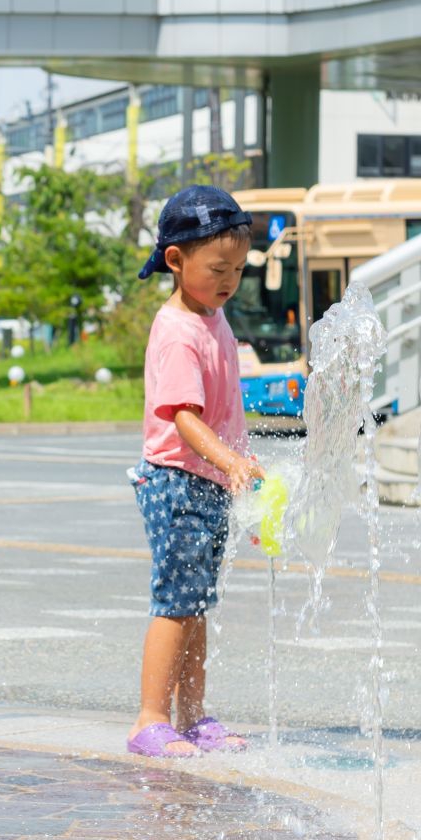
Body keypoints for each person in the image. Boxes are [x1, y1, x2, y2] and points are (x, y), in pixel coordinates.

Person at [126, 185, 261, 759]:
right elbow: (184, 417)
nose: (229, 280)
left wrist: (237, 471)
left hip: (206, 480)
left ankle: (192, 716)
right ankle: (149, 719)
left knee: (195, 604)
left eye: (238, 268)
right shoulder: (178, 331)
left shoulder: (213, 315)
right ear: (176, 262)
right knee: (175, 604)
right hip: (176, 481)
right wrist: (230, 460)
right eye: (217, 269)